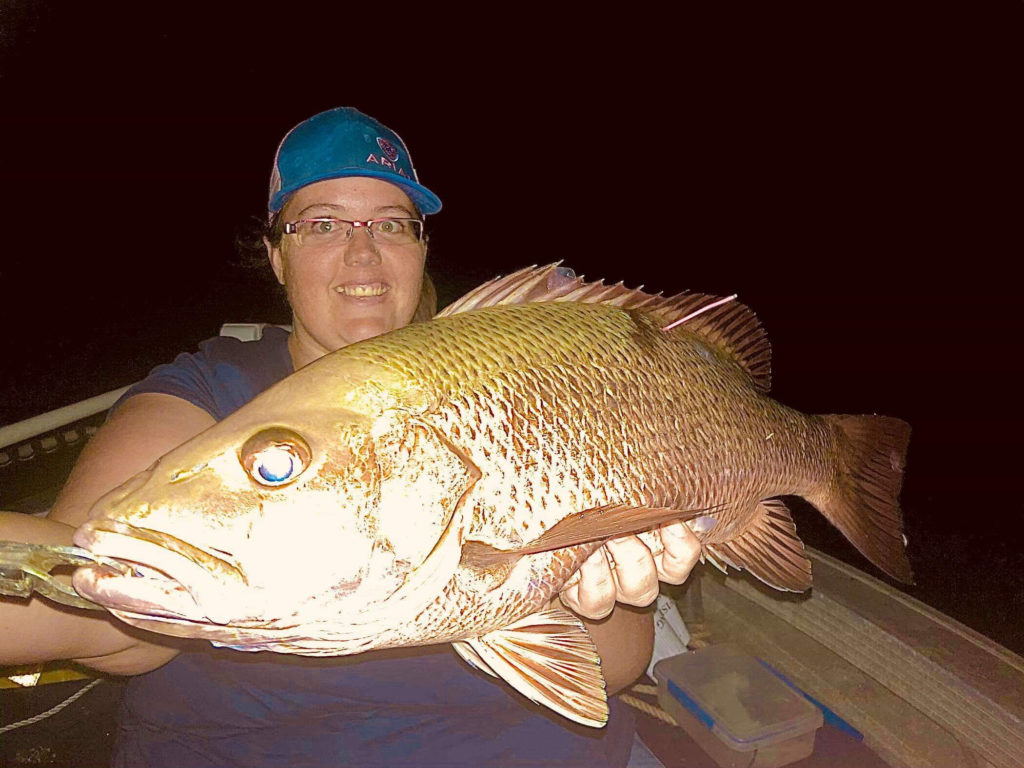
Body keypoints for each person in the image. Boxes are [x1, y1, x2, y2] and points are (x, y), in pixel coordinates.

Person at [0, 107, 702, 767]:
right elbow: (89, 611)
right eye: (323, 223)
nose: (362, 254)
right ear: (276, 254)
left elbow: (614, 667)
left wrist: (573, 590)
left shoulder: (525, 390)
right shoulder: (212, 392)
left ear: (421, 249)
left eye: (392, 224)